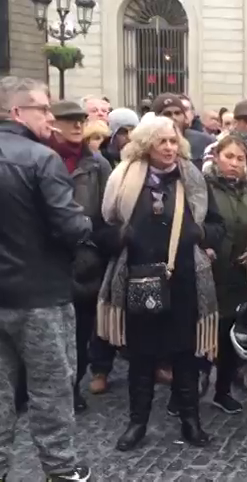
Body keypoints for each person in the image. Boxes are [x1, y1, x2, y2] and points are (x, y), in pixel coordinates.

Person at [97, 115, 225, 452]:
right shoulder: (123, 178)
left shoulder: (192, 178)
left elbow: (217, 226)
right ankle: (137, 422)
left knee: (184, 355)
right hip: (137, 277)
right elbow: (101, 229)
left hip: (183, 279)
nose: (169, 147)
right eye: (161, 141)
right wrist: (120, 236)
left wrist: (199, 233)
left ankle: (191, 422)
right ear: (146, 145)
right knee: (141, 357)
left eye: (173, 141)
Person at [0, 76, 93, 481]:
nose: (51, 117)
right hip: (39, 297)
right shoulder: (41, 159)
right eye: (43, 108)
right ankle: (61, 469)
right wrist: (84, 225)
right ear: (17, 112)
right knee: (51, 389)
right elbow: (70, 226)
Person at [46, 100, 113, 414]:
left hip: (85, 260)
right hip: (43, 259)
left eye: (80, 120)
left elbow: (108, 213)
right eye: (68, 120)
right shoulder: (40, 158)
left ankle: (73, 387)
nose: (77, 125)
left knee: (80, 332)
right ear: (51, 122)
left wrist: (96, 244)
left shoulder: (96, 163)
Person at [203, 134, 247, 414]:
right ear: (216, 158)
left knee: (228, 337)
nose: (235, 163)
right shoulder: (202, 189)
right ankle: (187, 390)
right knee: (200, 334)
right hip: (207, 275)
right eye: (229, 157)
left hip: (239, 277)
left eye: (241, 159)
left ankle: (222, 391)